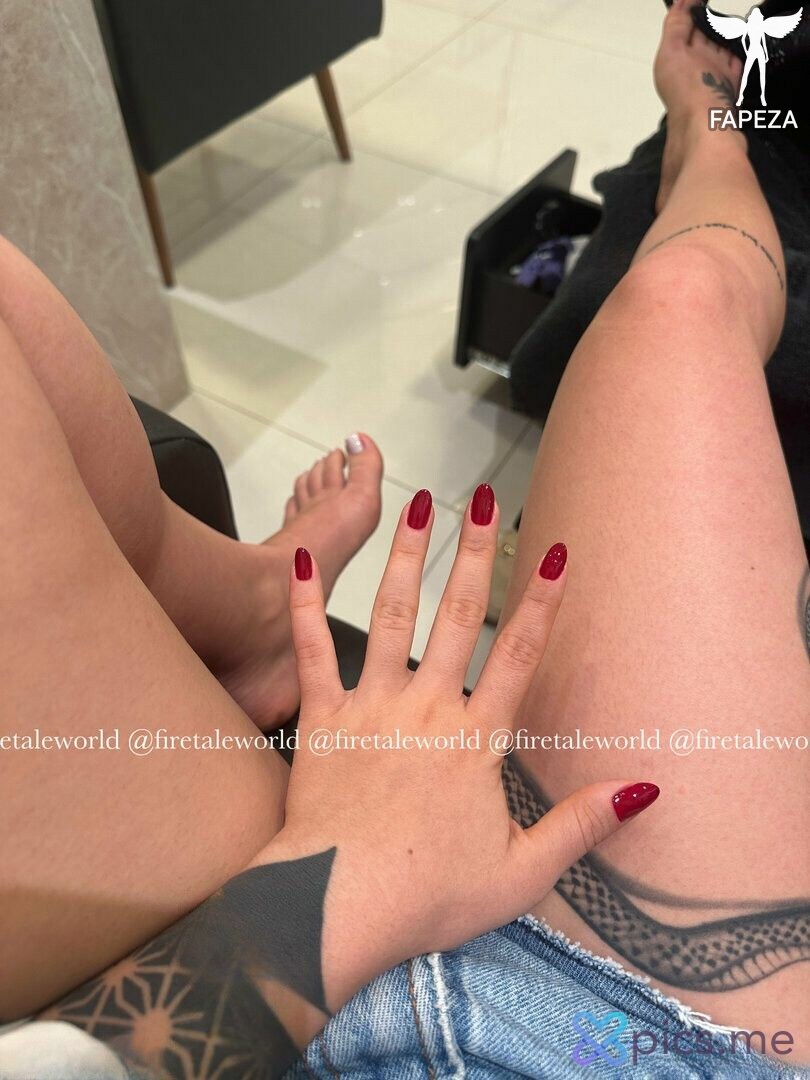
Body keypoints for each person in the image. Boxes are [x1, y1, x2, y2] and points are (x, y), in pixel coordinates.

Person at [0, 0, 807, 1075]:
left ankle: (252, 611)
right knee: (688, 296)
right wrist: (347, 887)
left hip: (277, 985)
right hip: (628, 1041)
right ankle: (713, 130)